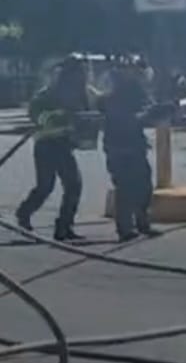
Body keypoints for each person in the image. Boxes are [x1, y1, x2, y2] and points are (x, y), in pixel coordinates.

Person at [17, 55, 99, 242]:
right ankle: (24, 213)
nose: (84, 74)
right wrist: (53, 118)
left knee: (73, 185)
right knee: (46, 186)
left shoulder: (86, 92)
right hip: (47, 143)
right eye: (80, 70)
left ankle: (64, 226)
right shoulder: (52, 92)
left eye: (86, 70)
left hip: (63, 144)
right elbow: (35, 110)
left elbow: (100, 102)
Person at [100, 60, 161, 242]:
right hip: (118, 147)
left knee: (144, 187)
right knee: (125, 189)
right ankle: (125, 229)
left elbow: (147, 112)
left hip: (135, 146)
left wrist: (161, 111)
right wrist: (147, 114)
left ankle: (143, 223)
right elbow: (126, 119)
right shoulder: (114, 94)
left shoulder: (137, 91)